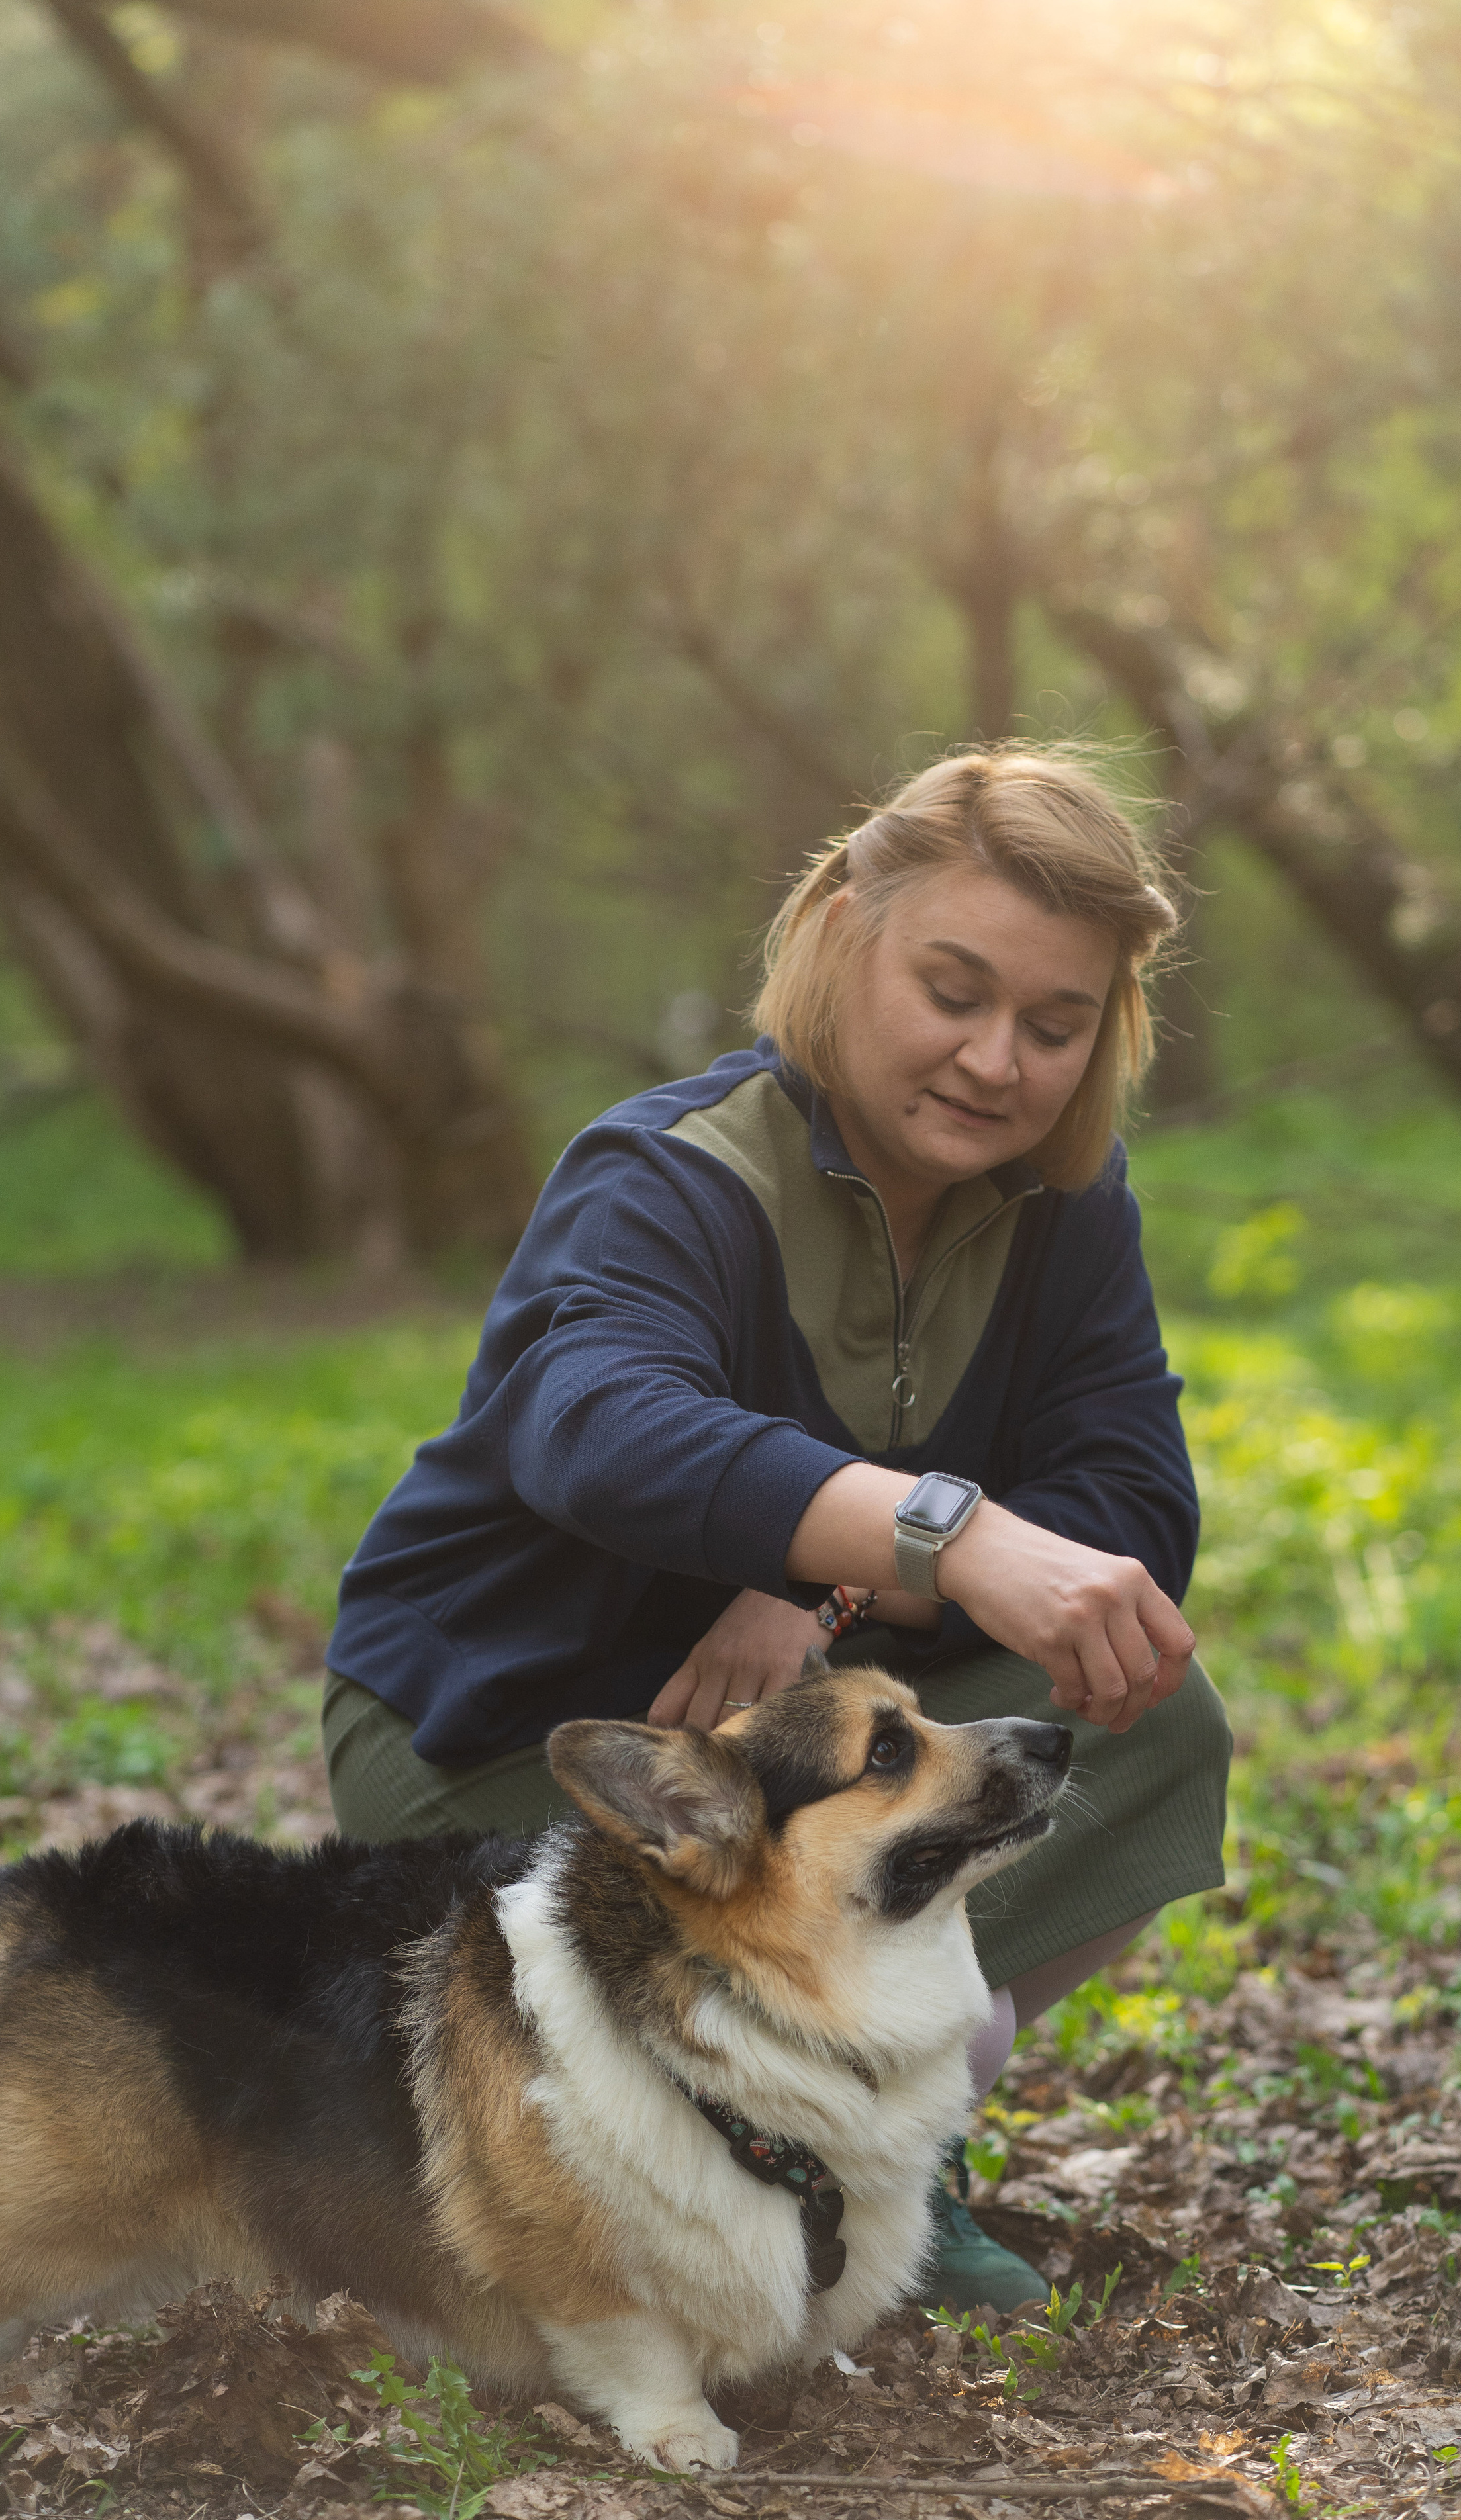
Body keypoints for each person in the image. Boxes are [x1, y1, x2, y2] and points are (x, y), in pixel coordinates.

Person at [322, 746, 1231, 2310]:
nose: (996, 1060)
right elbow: (595, 1425)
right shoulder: (666, 1175)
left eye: (1052, 1025)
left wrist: (820, 1598)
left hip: (800, 1748)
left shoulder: (1071, 1211)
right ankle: (664, 2183)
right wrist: (936, 1532)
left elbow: (1125, 1502)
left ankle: (887, 2151)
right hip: (517, 1722)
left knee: (1142, 1710)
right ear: (838, 932)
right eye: (952, 990)